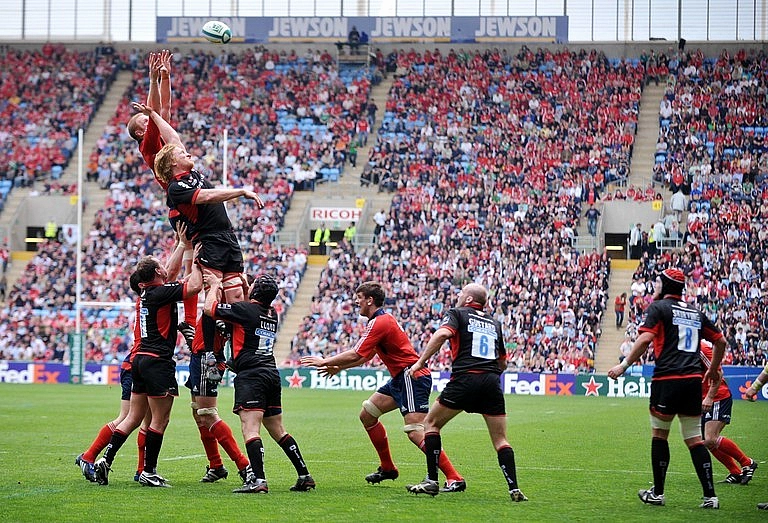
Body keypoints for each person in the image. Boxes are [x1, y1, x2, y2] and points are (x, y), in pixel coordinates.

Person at [300, 281, 464, 491]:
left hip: (410, 377)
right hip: (400, 378)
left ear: (370, 300)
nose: (356, 301)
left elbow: (356, 354)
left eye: (358, 297)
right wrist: (337, 368)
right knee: (367, 414)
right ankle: (388, 468)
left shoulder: (380, 322)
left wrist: (325, 361)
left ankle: (454, 477)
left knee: (416, 430)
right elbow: (364, 357)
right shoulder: (380, 321)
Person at [608, 268, 727, 509]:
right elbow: (721, 341)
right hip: (693, 381)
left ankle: (658, 494)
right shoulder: (695, 312)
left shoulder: (659, 308)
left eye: (659, 284)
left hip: (667, 379)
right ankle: (710, 496)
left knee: (660, 435)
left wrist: (623, 366)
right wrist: (713, 370)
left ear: (665, 286)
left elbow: (644, 340)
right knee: (694, 438)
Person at [94, 237, 203, 487]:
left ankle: (105, 460)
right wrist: (198, 260)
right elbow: (195, 286)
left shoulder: (147, 294)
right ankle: (149, 471)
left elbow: (170, 272)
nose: (165, 267)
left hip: (140, 361)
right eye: (160, 265)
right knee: (160, 420)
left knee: (133, 417)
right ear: (157, 272)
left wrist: (181, 244)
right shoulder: (160, 293)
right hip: (157, 362)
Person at [404, 283, 527, 501]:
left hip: (465, 379)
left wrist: (420, 362)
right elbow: (502, 364)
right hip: (491, 383)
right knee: (501, 439)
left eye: (461, 294)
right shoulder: (494, 323)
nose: (458, 296)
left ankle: (431, 481)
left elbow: (441, 335)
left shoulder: (457, 314)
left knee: (431, 424)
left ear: (469, 300)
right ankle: (514, 488)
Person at [204, 272, 315, 494]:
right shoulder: (271, 313)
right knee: (278, 429)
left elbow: (210, 309)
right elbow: (249, 311)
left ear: (255, 292)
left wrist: (215, 285)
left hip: (251, 375)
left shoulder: (246, 311)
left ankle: (259, 480)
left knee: (250, 428)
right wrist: (247, 290)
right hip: (270, 374)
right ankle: (304, 475)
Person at [75, 272, 151, 483]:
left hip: (138, 362)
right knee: (130, 418)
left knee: (145, 419)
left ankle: (140, 470)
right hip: (138, 363)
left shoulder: (146, 299)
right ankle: (89, 456)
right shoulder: (149, 298)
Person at [700, 340, 757, 485]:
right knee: (708, 442)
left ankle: (747, 462)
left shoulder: (699, 347)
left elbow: (718, 372)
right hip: (703, 400)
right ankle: (735, 472)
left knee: (710, 438)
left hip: (717, 397)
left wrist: (710, 396)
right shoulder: (679, 348)